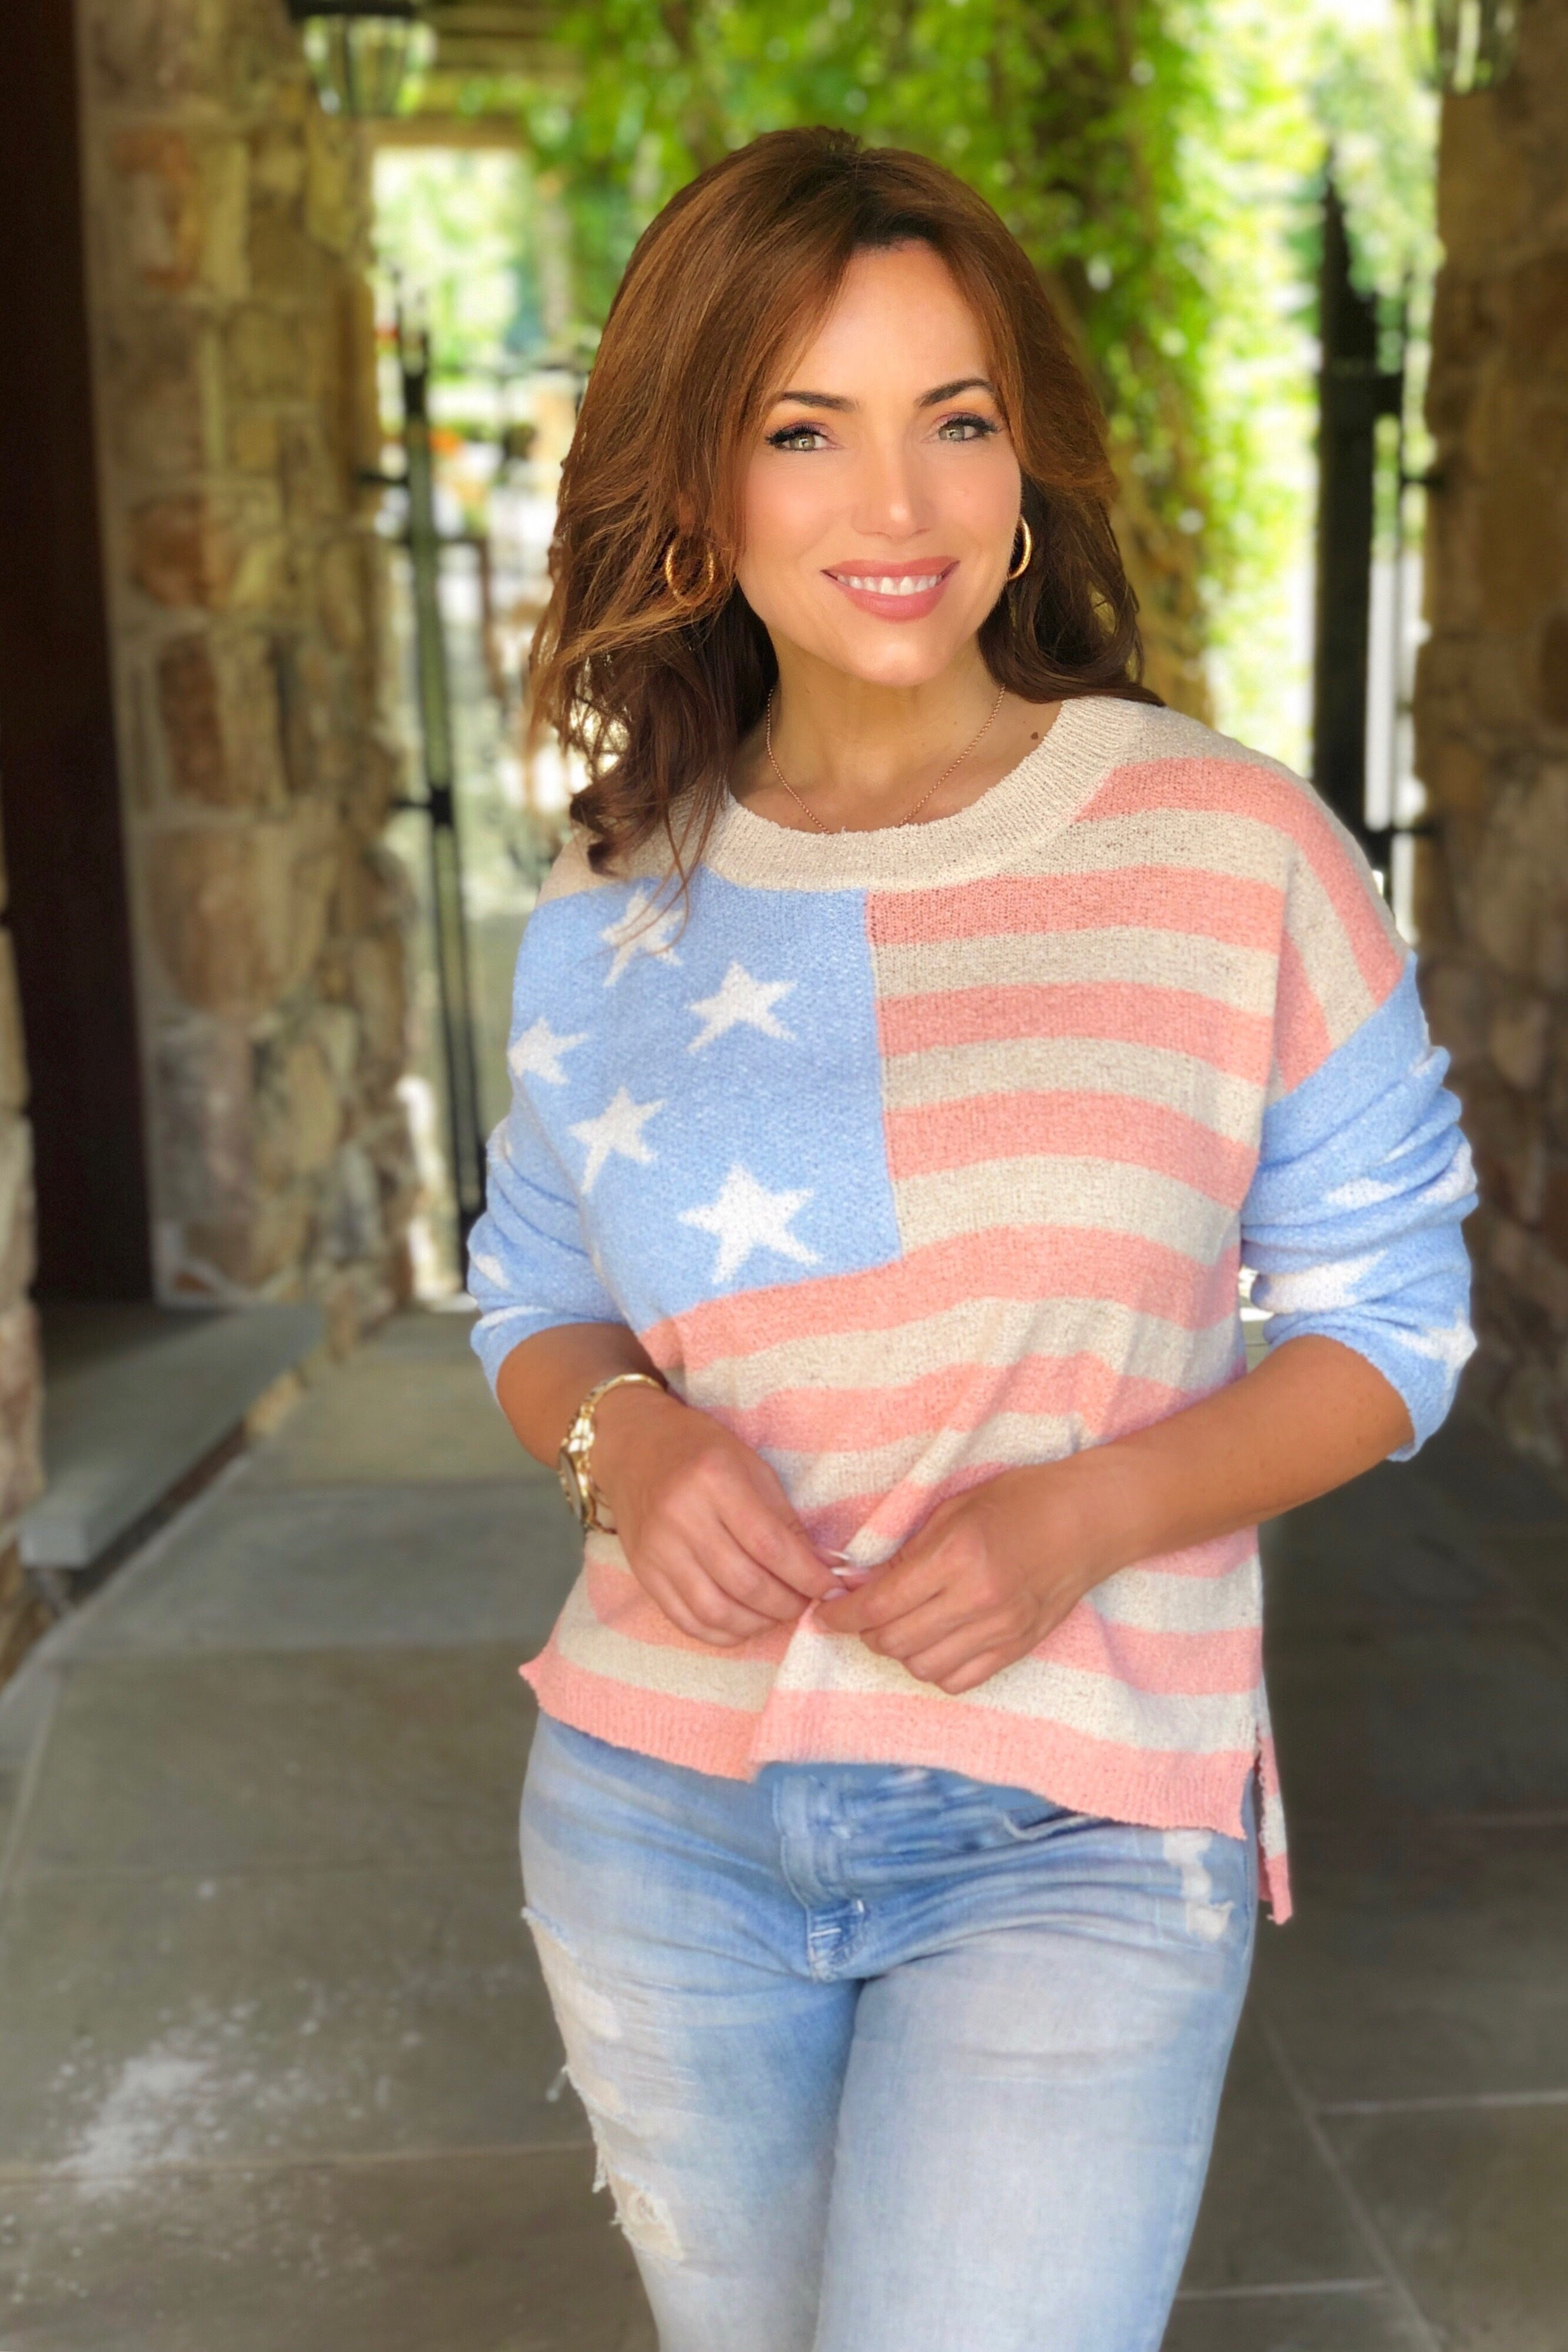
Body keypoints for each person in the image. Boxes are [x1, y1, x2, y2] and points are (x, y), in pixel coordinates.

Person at [467, 127, 1475, 2352]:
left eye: (958, 419)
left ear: (1028, 465)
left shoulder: (1230, 852)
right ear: (699, 484)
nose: (898, 504)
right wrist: (627, 1443)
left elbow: (1395, 1323)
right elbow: (536, 1295)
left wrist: (1078, 1519)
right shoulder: (617, 894)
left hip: (1080, 1828)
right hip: (656, 1813)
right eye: (803, 431)